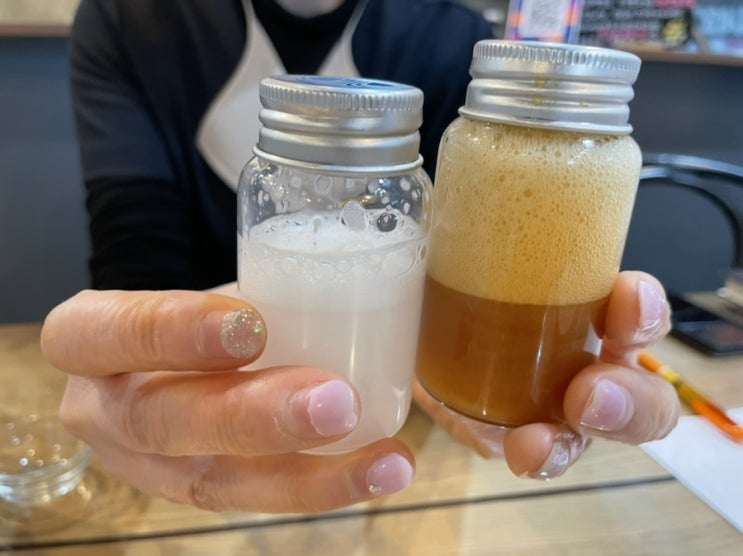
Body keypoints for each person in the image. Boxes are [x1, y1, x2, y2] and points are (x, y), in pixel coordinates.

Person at [40, 0, 680, 514]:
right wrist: (134, 366)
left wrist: (492, 367)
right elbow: (135, 257)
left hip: (411, 461)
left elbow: (483, 259)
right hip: (204, 450)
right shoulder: (131, 20)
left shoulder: (453, 43)